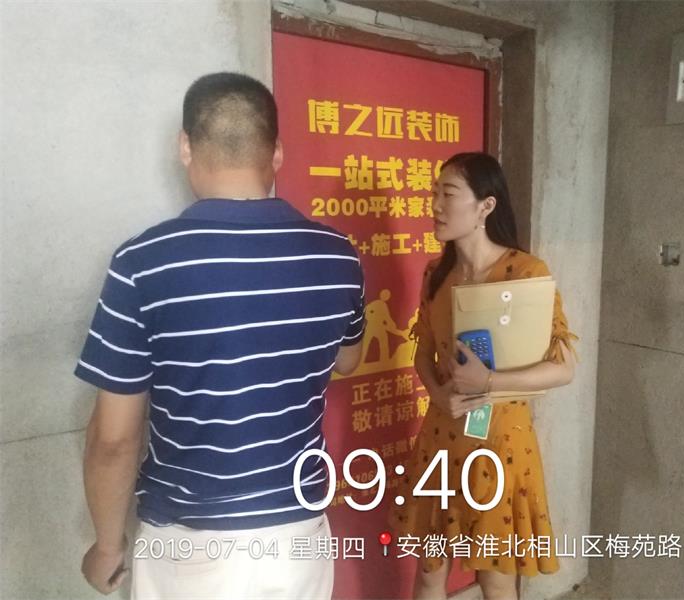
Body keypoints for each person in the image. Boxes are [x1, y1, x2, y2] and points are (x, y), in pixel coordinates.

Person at [75, 72, 365, 599]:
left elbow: (114, 440)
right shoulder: (338, 257)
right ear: (277, 152)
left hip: (189, 548)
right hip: (298, 535)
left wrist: (107, 546)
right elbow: (348, 359)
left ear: (185, 147)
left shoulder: (143, 264)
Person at [388, 152, 578, 600]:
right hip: (441, 437)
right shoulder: (436, 274)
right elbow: (423, 353)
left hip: (500, 442)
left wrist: (488, 383)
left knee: (496, 577)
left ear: (485, 206)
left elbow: (564, 367)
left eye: (448, 194)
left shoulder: (526, 273)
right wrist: (438, 395)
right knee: (430, 570)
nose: (435, 205)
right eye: (434, 193)